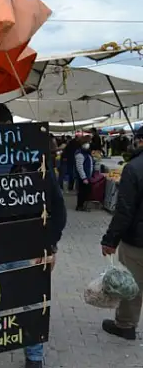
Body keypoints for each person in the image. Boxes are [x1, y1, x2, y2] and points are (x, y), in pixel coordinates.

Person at [0, 104, 67, 368]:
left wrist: (50, 245)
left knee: (30, 305)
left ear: (8, 127)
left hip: (29, 247)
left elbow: (56, 206)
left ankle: (34, 358)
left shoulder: (35, 159)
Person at [100, 127, 143, 341]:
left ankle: (125, 324)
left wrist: (110, 240)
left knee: (133, 284)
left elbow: (125, 210)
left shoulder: (134, 168)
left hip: (137, 241)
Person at [74, 138, 94, 211]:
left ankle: (83, 205)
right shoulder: (80, 154)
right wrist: (84, 178)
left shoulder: (86, 153)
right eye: (87, 143)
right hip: (83, 177)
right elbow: (79, 167)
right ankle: (80, 206)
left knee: (86, 191)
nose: (88, 144)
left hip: (87, 175)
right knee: (82, 192)